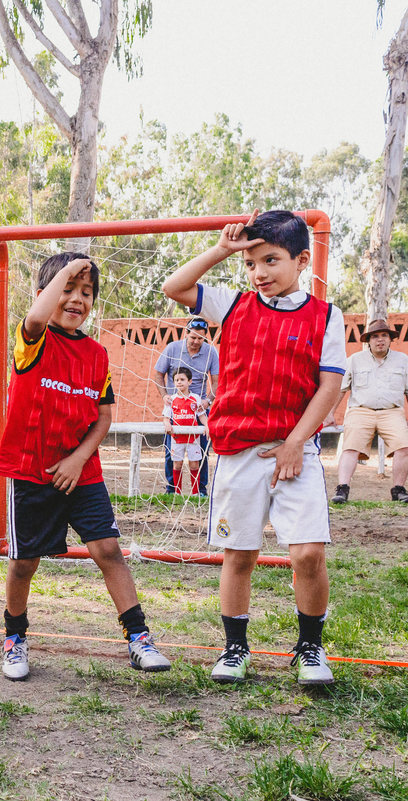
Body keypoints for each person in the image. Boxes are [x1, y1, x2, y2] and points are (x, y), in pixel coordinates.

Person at [162, 210, 344, 685]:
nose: (259, 272)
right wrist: (222, 250)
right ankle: (235, 648)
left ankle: (310, 648)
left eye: (270, 260)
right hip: (237, 452)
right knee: (239, 553)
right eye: (251, 264)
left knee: (307, 554)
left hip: (294, 450)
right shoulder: (233, 306)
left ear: (302, 260)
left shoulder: (326, 316)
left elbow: (328, 388)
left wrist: (295, 443)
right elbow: (174, 287)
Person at [0, 252, 171, 681]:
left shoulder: (96, 355)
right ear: (44, 295)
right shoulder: (31, 339)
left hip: (81, 469)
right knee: (24, 563)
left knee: (108, 550)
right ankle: (15, 638)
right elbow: (36, 318)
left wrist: (77, 458)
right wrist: (72, 269)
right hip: (31, 470)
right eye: (68, 289)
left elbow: (104, 417)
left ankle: (139, 638)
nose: (77, 299)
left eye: (86, 292)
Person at [326, 318, 408, 503]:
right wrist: (330, 413)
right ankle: (342, 489)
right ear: (368, 340)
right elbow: (341, 389)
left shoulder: (403, 360)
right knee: (350, 447)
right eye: (375, 336)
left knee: (404, 446)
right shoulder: (354, 360)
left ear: (390, 339)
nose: (380, 340)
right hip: (360, 410)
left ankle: (399, 490)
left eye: (384, 335)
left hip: (391, 411)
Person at [152, 318, 218, 495]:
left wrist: (208, 400)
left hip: (198, 410)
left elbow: (218, 381)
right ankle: (172, 489)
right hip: (176, 410)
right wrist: (165, 395)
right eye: (193, 337)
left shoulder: (211, 352)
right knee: (172, 453)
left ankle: (200, 490)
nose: (196, 342)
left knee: (201, 452)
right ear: (186, 334)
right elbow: (158, 374)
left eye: (201, 339)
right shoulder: (173, 348)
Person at [162, 367, 208, 496]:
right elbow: (166, 417)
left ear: (190, 381)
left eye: (182, 379)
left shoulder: (195, 398)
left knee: (194, 464)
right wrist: (167, 424)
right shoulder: (171, 399)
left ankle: (195, 493)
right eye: (176, 380)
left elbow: (202, 415)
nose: (179, 382)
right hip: (177, 437)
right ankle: (177, 492)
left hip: (193, 438)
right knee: (177, 464)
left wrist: (207, 425)